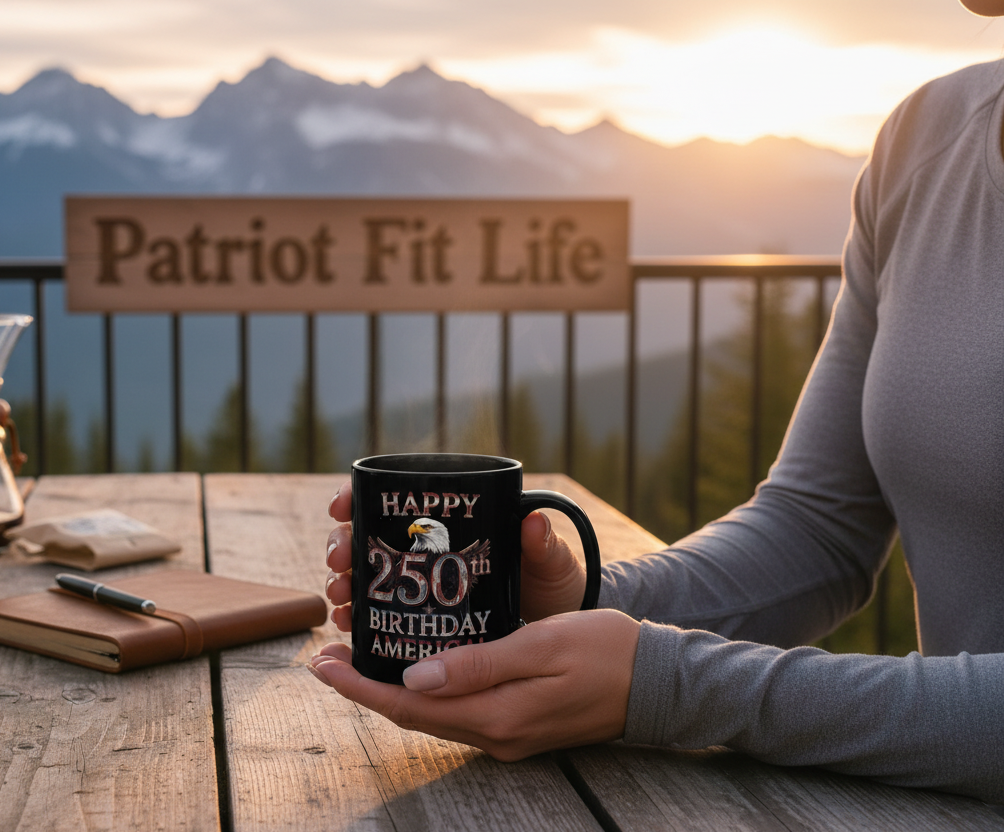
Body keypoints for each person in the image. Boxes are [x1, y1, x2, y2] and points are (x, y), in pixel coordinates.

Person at [307, 0, 1004, 805]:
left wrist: (674, 686)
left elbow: (691, 676)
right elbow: (817, 529)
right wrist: (570, 604)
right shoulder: (925, 140)